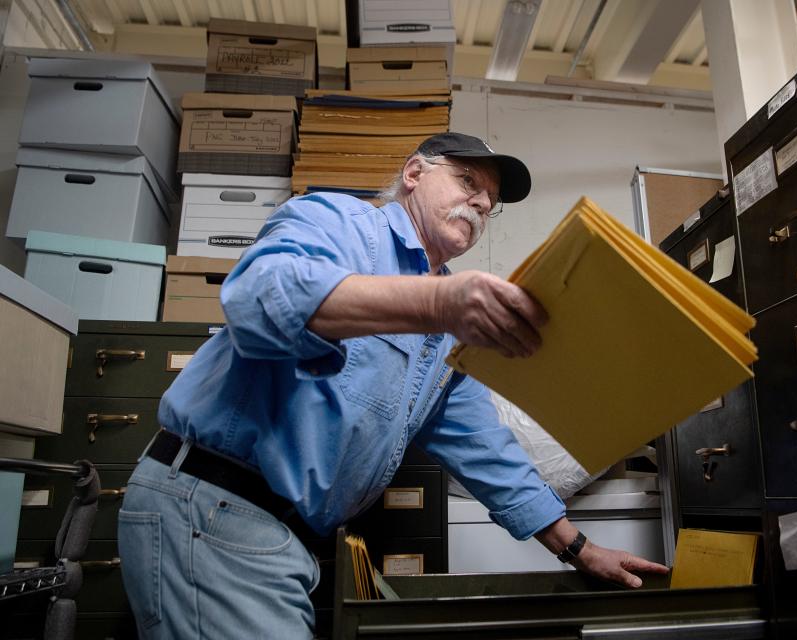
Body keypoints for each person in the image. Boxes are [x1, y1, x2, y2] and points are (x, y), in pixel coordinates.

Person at [117, 132, 669, 638]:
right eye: (468, 182)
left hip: (278, 535)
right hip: (214, 510)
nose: (480, 204)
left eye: (489, 202)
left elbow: (487, 450)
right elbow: (260, 297)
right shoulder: (341, 221)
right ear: (413, 174)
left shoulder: (448, 335)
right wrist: (436, 305)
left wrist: (579, 548)